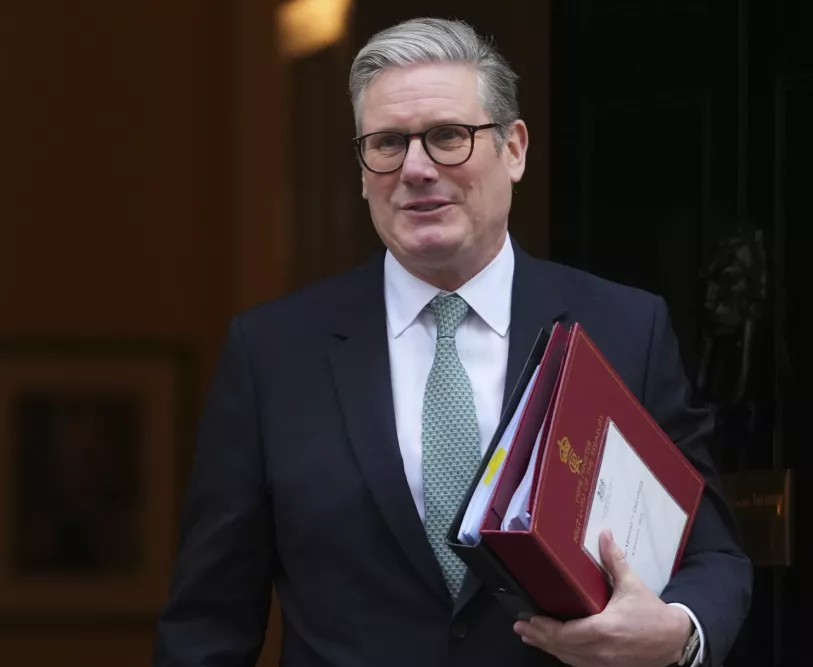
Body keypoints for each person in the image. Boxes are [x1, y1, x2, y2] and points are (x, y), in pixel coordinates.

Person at [152, 16, 752, 667]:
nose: (415, 168)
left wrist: (678, 633)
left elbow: (711, 553)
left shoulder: (624, 329)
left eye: (447, 137)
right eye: (387, 143)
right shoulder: (272, 354)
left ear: (514, 149)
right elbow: (208, 623)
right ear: (362, 171)